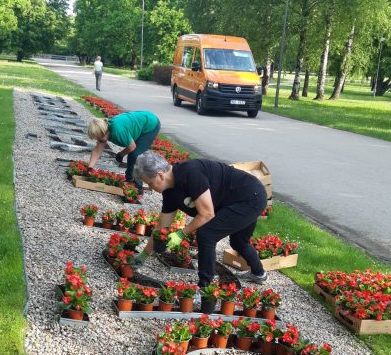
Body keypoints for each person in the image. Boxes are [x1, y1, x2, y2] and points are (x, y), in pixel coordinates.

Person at [132, 151, 268, 287]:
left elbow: (207, 214)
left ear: (160, 175)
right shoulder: (169, 193)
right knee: (239, 242)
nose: (150, 187)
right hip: (236, 199)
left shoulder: (190, 173)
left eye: (150, 183)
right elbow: (162, 226)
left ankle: (205, 287)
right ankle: (259, 274)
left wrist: (181, 234)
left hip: (250, 197)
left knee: (206, 234)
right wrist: (143, 256)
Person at [87, 112, 161, 192]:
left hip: (150, 124)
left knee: (135, 155)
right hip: (140, 122)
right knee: (134, 155)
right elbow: (97, 151)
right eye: (97, 138)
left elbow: (132, 146)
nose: (98, 139)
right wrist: (89, 169)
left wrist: (121, 154)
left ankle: (137, 187)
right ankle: (130, 180)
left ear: (104, 131)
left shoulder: (117, 131)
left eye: (99, 136)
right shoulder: (105, 133)